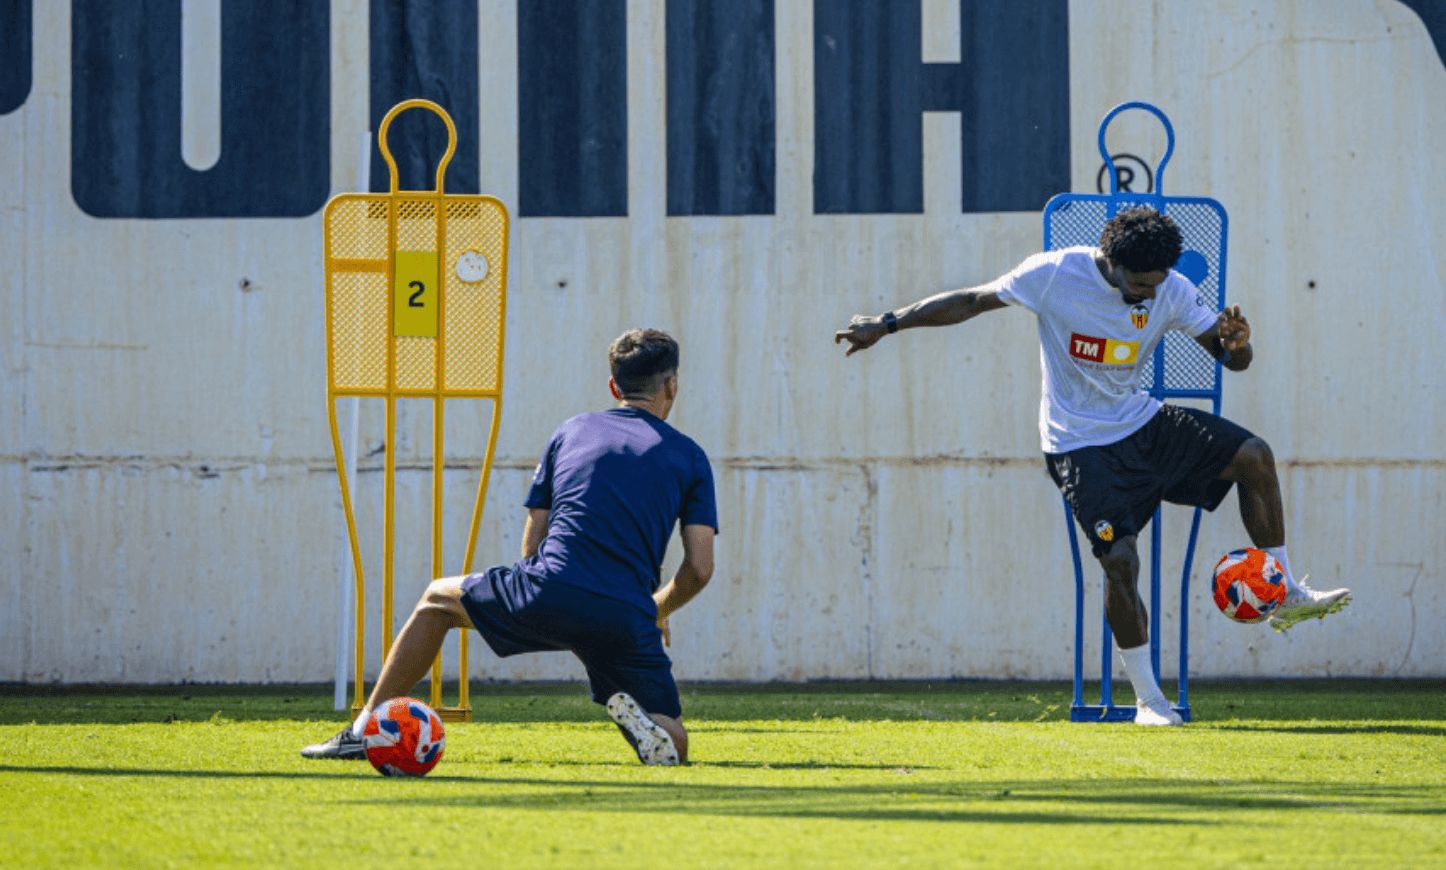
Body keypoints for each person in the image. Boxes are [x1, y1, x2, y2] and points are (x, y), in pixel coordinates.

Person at [834, 207, 1349, 726]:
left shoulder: (1168, 287)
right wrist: (889, 323)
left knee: (1253, 455)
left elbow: (1231, 358)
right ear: (1111, 262)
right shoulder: (1056, 273)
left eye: (1158, 282)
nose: (1150, 293)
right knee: (1120, 560)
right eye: (1139, 284)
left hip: (1141, 423)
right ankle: (1150, 702)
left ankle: (1282, 589)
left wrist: (1240, 348)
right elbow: (970, 300)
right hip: (1078, 444)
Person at [302, 328, 717, 763]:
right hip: (624, 612)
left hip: (549, 587)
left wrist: (543, 600)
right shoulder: (689, 456)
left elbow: (535, 532)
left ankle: (364, 729)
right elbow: (700, 568)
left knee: (436, 600)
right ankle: (648, 724)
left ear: (614, 387)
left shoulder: (573, 431)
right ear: (672, 385)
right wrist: (656, 610)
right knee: (674, 735)